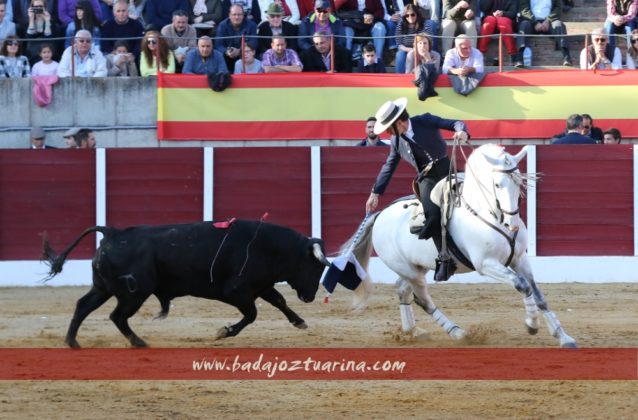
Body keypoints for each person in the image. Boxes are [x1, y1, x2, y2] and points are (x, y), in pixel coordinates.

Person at [365, 97, 470, 281]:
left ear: (399, 122)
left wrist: (462, 132)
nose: (388, 132)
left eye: (389, 128)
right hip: (427, 179)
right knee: (433, 215)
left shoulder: (425, 120)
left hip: (447, 169)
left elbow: (455, 123)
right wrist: (375, 193)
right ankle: (444, 259)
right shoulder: (396, 141)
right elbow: (389, 166)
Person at [517, 0, 572, 67]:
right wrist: (535, 22)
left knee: (559, 25)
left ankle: (567, 58)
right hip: (531, 22)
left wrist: (548, 20)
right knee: (523, 25)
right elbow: (524, 10)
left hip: (549, 22)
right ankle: (519, 59)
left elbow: (558, 8)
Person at [215, 3, 258, 73]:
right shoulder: (222, 25)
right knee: (218, 54)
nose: (237, 17)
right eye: (234, 14)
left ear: (243, 15)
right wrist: (227, 51)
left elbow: (254, 44)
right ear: (229, 15)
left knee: (252, 53)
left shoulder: (252, 25)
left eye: (239, 14)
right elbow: (218, 45)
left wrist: (239, 51)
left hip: (244, 56)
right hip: (227, 57)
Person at [478, 0, 518, 66]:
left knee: (502, 22)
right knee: (489, 22)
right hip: (490, 19)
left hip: (506, 19)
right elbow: (483, 8)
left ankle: (513, 55)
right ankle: (481, 54)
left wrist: (503, 13)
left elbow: (513, 13)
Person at [395, 4, 428, 73]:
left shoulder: (424, 24)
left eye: (412, 14)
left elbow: (429, 41)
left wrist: (417, 50)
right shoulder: (401, 25)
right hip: (406, 49)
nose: (410, 17)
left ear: (417, 14)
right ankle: (399, 78)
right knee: (400, 54)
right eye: (407, 15)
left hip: (422, 48)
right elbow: (399, 44)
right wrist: (411, 50)